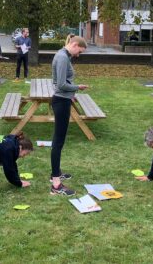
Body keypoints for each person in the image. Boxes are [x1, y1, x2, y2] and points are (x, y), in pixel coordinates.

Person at [50, 35, 89, 196]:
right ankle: (55, 183)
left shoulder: (64, 56)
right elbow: (61, 84)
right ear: (74, 44)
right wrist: (77, 87)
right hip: (60, 102)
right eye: (79, 51)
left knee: (59, 140)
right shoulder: (62, 57)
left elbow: (62, 81)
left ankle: (56, 172)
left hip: (63, 100)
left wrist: (71, 93)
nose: (78, 55)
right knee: (58, 142)